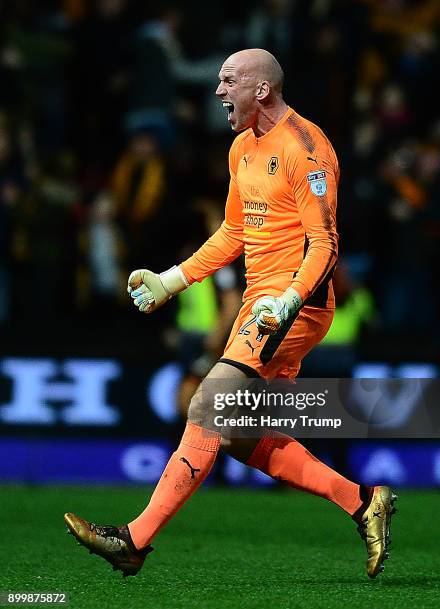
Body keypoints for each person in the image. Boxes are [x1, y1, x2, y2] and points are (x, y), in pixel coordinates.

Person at [64, 48, 396, 580]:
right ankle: (362, 501)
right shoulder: (242, 147)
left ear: (260, 89)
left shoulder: (306, 149)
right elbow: (234, 233)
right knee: (238, 435)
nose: (218, 90)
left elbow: (325, 244)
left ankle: (133, 539)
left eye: (227, 80)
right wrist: (173, 279)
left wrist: (289, 300)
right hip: (254, 307)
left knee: (205, 405)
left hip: (294, 308)